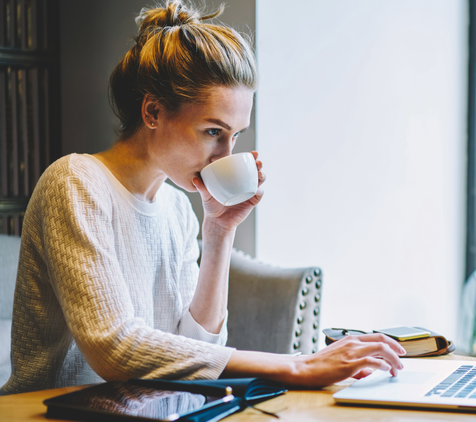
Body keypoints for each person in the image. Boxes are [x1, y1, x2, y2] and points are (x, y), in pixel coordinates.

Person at [0, 0, 403, 395]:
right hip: (43, 411)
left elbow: (199, 354)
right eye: (213, 132)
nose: (226, 155)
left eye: (236, 135)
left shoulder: (176, 208)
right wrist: (296, 364)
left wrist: (218, 234)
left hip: (143, 411)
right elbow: (113, 350)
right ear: (153, 112)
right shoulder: (74, 182)